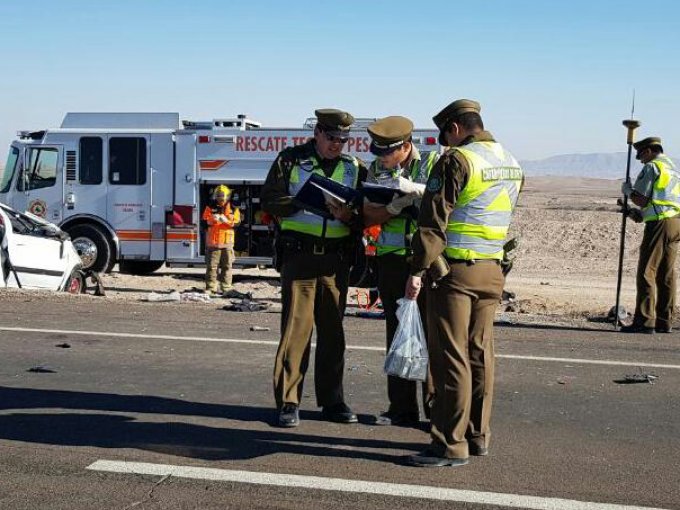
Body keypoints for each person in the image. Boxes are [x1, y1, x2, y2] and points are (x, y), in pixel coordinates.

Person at [404, 99, 523, 467]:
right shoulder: (511, 162)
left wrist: (417, 269)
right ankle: (477, 435)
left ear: (455, 128)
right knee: (481, 354)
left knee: (450, 357)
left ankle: (449, 444)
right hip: (492, 269)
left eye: (445, 136)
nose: (445, 144)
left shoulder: (459, 160)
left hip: (455, 273)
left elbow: (433, 221)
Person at [261, 108, 367, 427]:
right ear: (318, 133)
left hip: (336, 259)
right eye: (332, 138)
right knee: (296, 331)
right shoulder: (291, 159)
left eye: (343, 140)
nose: (338, 145)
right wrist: (303, 202)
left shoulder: (354, 167)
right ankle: (289, 402)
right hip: (300, 256)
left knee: (333, 333)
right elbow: (269, 198)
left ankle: (333, 401)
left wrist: (351, 215)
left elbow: (365, 210)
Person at [362, 116, 439, 427]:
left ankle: (435, 410)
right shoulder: (376, 170)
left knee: (430, 336)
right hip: (392, 261)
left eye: (387, 152)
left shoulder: (433, 162)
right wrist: (393, 207)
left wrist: (417, 192)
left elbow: (446, 202)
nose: (381, 158)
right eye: (378, 152)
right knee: (397, 335)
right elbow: (367, 214)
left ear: (406, 147)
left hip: (427, 261)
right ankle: (401, 409)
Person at [620, 137, 680, 334]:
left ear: (647, 151)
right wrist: (636, 215)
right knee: (666, 275)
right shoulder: (671, 167)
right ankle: (665, 321)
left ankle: (644, 322)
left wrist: (628, 190)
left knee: (647, 271)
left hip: (660, 224)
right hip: (675, 223)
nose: (640, 160)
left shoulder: (652, 167)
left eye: (640, 156)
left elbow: (643, 200)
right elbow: (658, 203)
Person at [202, 185, 240, 294]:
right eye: (218, 195)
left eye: (223, 195)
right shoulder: (210, 207)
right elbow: (204, 222)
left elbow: (237, 223)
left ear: (227, 196)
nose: (221, 198)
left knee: (227, 266)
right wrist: (212, 220)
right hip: (213, 244)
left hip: (227, 244)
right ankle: (211, 288)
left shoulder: (233, 208)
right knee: (212, 267)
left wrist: (226, 221)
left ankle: (226, 288)